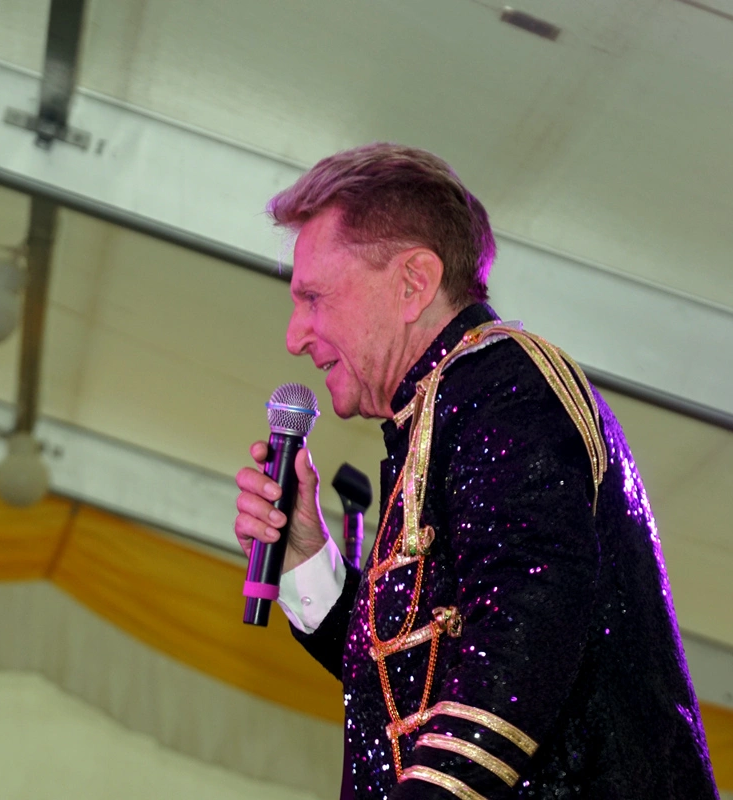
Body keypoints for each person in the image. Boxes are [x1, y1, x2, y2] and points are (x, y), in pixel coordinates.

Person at [234, 144, 719, 800]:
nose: (296, 336)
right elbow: (406, 689)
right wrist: (305, 554)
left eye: (314, 298)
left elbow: (525, 629)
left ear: (413, 283)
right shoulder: (442, 410)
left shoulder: (507, 386)